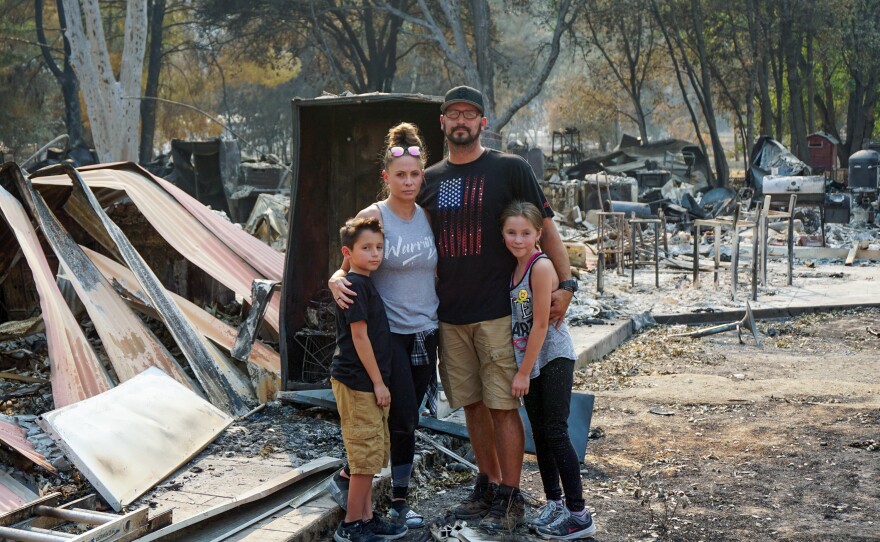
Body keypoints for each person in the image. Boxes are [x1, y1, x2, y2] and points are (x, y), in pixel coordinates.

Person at [416, 85, 578, 532]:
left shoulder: (509, 168)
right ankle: (486, 486)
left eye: (470, 114)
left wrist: (566, 284)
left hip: (500, 314)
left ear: (483, 122)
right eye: (454, 115)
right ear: (443, 123)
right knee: (470, 406)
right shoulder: (430, 180)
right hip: (450, 315)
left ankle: (510, 495)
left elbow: (545, 226)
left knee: (503, 406)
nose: (462, 121)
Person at [329, 123, 440, 529]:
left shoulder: (427, 216)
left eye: (414, 175)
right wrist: (333, 279)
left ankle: (348, 475)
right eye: (400, 175)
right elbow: (346, 270)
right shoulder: (373, 216)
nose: (408, 182)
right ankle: (398, 504)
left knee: (406, 417)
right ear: (386, 177)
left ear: (421, 175)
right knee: (402, 415)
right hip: (389, 333)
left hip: (426, 331)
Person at [501, 201, 596, 539]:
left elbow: (541, 325)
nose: (518, 239)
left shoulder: (540, 268)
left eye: (525, 233)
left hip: (552, 358)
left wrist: (524, 372)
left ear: (538, 234)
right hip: (533, 361)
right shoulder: (514, 268)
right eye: (511, 232)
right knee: (539, 433)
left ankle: (579, 513)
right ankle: (555, 502)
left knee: (555, 431)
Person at [330, 217, 408, 542]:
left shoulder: (364, 280)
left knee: (372, 452)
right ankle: (351, 526)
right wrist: (378, 382)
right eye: (366, 248)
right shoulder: (354, 285)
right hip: (358, 380)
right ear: (348, 252)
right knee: (362, 457)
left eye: (378, 247)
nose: (375, 253)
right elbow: (359, 338)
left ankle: (366, 516)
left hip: (368, 380)